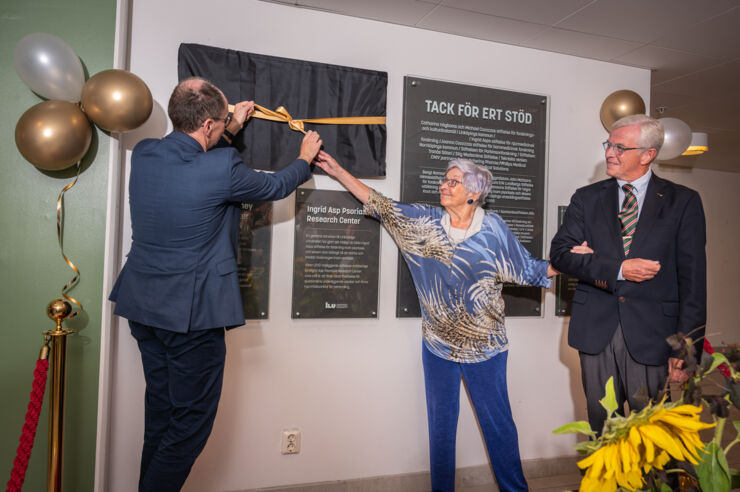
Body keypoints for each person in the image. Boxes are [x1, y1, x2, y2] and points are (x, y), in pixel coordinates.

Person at [109, 77, 322, 492]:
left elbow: (197, 164)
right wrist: (304, 158)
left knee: (162, 415)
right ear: (208, 125)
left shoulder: (147, 153)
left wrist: (229, 127)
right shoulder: (222, 167)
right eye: (222, 120)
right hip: (190, 317)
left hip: (142, 306)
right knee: (188, 427)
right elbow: (276, 186)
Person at [314, 152, 557, 492]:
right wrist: (339, 172)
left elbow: (528, 269)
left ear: (474, 192)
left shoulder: (494, 229)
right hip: (438, 348)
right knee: (441, 429)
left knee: (498, 427)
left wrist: (572, 264)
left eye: (452, 181)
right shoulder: (423, 222)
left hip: (486, 350)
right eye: (444, 179)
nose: (443, 185)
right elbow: (380, 204)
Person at [549, 114, 706, 435]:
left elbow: (693, 283)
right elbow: (561, 255)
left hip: (654, 336)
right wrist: (618, 268)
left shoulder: (683, 202)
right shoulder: (586, 198)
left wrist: (686, 351)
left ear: (648, 154)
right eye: (609, 145)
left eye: (620, 147)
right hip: (596, 332)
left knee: (651, 433)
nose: (609, 153)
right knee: (602, 428)